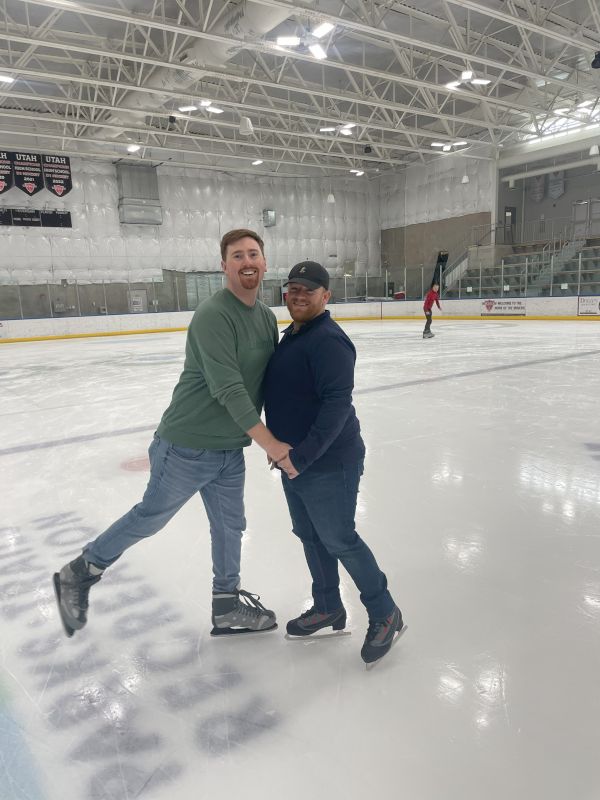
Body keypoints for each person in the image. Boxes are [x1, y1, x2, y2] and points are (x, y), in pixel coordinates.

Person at [54, 229, 292, 638]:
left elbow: (262, 384)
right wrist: (270, 443)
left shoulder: (267, 318)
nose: (247, 261)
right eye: (238, 256)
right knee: (151, 517)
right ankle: (80, 571)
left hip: (228, 451)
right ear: (224, 265)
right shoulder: (214, 315)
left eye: (254, 254)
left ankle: (225, 605)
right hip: (186, 446)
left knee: (230, 527)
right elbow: (229, 389)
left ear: (266, 262)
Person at [263, 261, 404, 666]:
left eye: (309, 290)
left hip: (328, 462)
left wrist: (301, 458)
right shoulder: (294, 333)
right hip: (295, 461)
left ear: (326, 296)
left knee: (340, 538)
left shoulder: (328, 341)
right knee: (309, 534)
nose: (299, 295)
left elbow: (336, 407)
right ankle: (328, 606)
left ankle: (385, 612)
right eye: (293, 289)